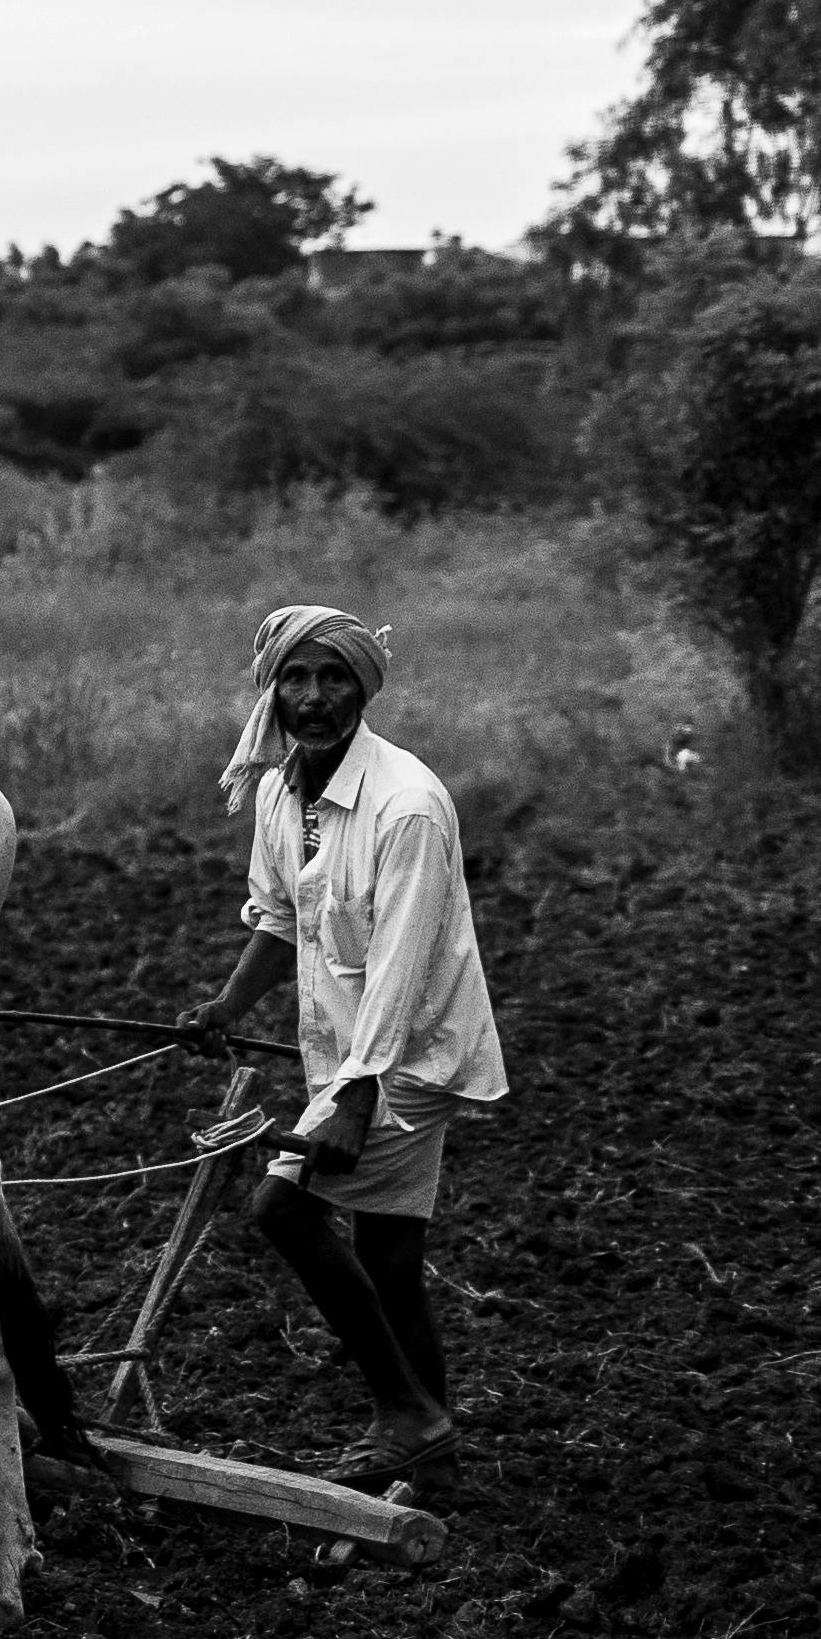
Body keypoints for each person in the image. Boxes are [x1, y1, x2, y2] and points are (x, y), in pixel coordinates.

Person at [188, 604, 503, 1486]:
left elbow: (402, 962)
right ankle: (432, 1455)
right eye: (296, 678)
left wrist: (359, 1096)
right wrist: (225, 1003)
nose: (314, 697)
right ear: (273, 689)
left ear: (363, 688)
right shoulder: (283, 791)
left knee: (281, 1209)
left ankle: (406, 1413)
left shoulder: (407, 806)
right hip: (354, 1056)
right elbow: (283, 916)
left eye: (333, 678)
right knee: (390, 1261)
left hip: (407, 1061)